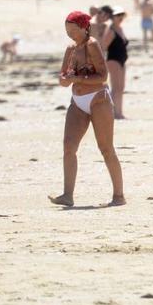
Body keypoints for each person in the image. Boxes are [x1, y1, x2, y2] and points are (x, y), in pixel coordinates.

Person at [50, 11, 124, 208]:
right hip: (78, 101)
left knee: (106, 148)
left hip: (99, 100)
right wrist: (65, 80)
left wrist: (77, 79)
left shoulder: (92, 45)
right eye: (67, 31)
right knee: (68, 146)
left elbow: (102, 77)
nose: (70, 34)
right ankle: (67, 195)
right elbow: (63, 79)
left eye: (73, 30)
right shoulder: (70, 49)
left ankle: (119, 195)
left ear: (84, 28)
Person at [101, 8, 129, 120]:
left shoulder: (120, 29)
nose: (120, 17)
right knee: (115, 87)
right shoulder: (111, 30)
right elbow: (104, 46)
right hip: (113, 60)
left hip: (122, 60)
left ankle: (119, 112)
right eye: (118, 15)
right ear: (112, 17)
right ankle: (113, 112)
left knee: (121, 87)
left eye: (122, 15)